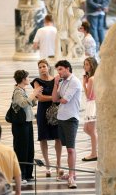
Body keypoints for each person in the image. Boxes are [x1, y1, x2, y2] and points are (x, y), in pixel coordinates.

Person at [52, 60, 82, 189]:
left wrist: (59, 99)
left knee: (71, 148)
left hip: (71, 118)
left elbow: (63, 100)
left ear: (67, 69)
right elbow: (54, 99)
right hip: (61, 117)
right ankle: (72, 173)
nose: (58, 72)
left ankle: (71, 176)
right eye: (57, 70)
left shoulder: (74, 81)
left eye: (60, 69)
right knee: (67, 147)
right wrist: (55, 84)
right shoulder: (62, 82)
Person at [31, 59, 63, 178]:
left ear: (48, 67)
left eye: (44, 66)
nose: (42, 68)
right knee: (43, 137)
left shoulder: (56, 79)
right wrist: (53, 98)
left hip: (56, 111)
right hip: (42, 112)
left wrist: (53, 97)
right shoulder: (36, 81)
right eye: (40, 67)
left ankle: (59, 164)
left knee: (58, 137)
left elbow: (61, 93)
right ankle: (48, 165)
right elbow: (39, 97)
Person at [12, 70, 42, 182]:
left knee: (29, 148)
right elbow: (23, 103)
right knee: (21, 149)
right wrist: (33, 94)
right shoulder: (17, 92)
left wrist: (35, 97)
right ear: (23, 79)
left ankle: (28, 174)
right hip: (20, 124)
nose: (29, 79)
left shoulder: (22, 90)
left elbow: (30, 104)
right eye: (28, 78)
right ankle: (21, 175)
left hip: (27, 122)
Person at [82, 57, 98, 161]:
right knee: (86, 129)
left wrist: (84, 84)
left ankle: (94, 153)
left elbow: (89, 95)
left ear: (91, 65)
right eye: (84, 64)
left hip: (92, 104)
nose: (85, 66)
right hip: (90, 104)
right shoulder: (92, 77)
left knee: (91, 130)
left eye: (87, 64)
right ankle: (96, 145)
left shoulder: (92, 79)